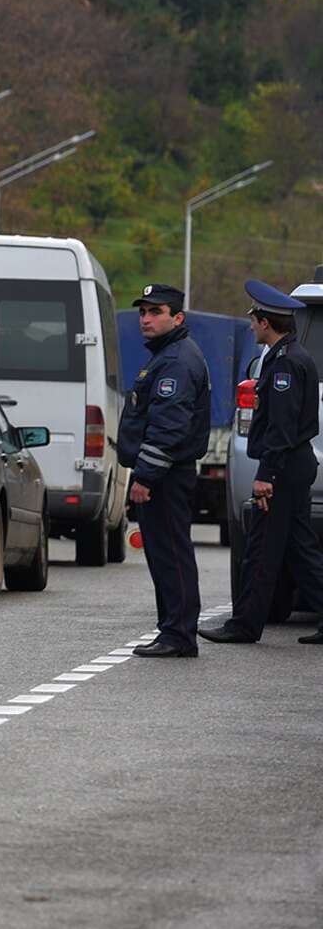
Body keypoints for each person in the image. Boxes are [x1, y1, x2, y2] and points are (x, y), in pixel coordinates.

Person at [204, 280, 323, 644]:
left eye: (254, 319)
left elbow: (282, 428)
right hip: (295, 465)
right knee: (298, 547)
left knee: (261, 548)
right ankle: (249, 621)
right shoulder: (288, 357)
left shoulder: (285, 364)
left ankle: (244, 625)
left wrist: (265, 475)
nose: (251, 325)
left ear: (266, 323)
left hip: (283, 468)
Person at [117, 283, 211, 658]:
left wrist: (145, 477)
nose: (146, 319)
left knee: (171, 552)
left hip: (167, 475)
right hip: (165, 472)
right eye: (142, 312)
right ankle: (172, 629)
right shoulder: (167, 355)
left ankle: (179, 634)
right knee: (162, 552)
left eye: (155, 312)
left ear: (177, 317)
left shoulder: (175, 361)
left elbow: (168, 427)